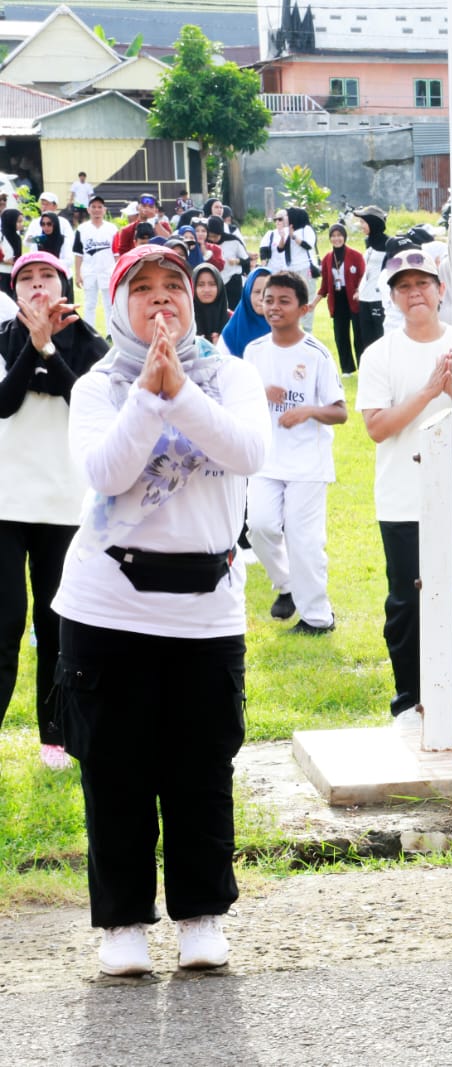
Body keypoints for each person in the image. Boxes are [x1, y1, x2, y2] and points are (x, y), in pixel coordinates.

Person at [54, 242, 269, 977]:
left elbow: (245, 450)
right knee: (114, 770)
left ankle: (202, 915)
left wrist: (182, 392)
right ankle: (122, 926)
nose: (160, 300)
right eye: (141, 289)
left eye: (172, 286)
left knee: (200, 767)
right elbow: (107, 472)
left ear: (194, 297)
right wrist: (148, 395)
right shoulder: (98, 386)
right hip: (107, 606)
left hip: (206, 609)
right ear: (118, 307)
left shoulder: (231, 375)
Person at [354, 248, 452, 726]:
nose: (414, 293)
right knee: (407, 602)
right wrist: (430, 390)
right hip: (403, 497)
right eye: (403, 287)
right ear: (392, 297)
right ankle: (409, 699)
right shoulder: (380, 353)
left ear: (440, 290)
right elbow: (377, 428)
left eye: (423, 284)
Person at [0, 251, 109, 769]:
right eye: (27, 279)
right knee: (4, 622)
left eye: (47, 277)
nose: (38, 286)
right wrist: (32, 346)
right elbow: (5, 401)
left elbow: (85, 399)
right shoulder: (1, 335)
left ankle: (55, 735)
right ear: (15, 289)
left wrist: (49, 346)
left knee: (55, 622)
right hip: (5, 500)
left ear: (63, 283)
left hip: (65, 504)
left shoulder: (90, 342)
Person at [242, 272, 346, 635]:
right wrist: (259, 394)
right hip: (265, 460)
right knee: (260, 527)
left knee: (305, 541)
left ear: (303, 309)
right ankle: (286, 586)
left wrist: (308, 411)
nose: (274, 307)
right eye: (269, 300)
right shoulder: (253, 352)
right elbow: (240, 402)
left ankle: (318, 617)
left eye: (283, 301)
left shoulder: (316, 354)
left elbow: (341, 412)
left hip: (307, 463)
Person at [312, 223, 364, 374]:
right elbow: (324, 287)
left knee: (359, 335)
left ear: (345, 237)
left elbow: (363, 278)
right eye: (333, 236)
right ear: (330, 239)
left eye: (339, 235)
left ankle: (363, 366)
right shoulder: (327, 258)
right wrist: (313, 303)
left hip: (354, 300)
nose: (337, 239)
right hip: (338, 299)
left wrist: (359, 291)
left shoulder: (356, 256)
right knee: (341, 336)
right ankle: (347, 369)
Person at [71, 197, 119, 328]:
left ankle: (111, 332)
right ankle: (90, 330)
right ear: (88, 209)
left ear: (104, 210)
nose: (97, 210)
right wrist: (77, 273)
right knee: (89, 304)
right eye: (93, 207)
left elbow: (116, 254)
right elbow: (78, 254)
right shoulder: (82, 229)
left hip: (108, 271)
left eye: (99, 207)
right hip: (89, 272)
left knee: (109, 304)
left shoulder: (112, 229)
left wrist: (118, 272)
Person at [352, 206, 394, 353]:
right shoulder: (368, 242)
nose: (361, 226)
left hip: (378, 298)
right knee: (366, 339)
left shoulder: (389, 244)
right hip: (364, 297)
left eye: (363, 222)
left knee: (380, 337)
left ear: (373, 223)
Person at [220, 267, 271, 357]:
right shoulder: (232, 331)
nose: (262, 298)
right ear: (247, 294)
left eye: (267, 292)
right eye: (257, 292)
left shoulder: (284, 329)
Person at [191, 263, 231, 346]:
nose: (206, 290)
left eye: (212, 284)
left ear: (219, 286)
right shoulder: (185, 320)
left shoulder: (232, 320)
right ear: (193, 287)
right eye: (201, 285)